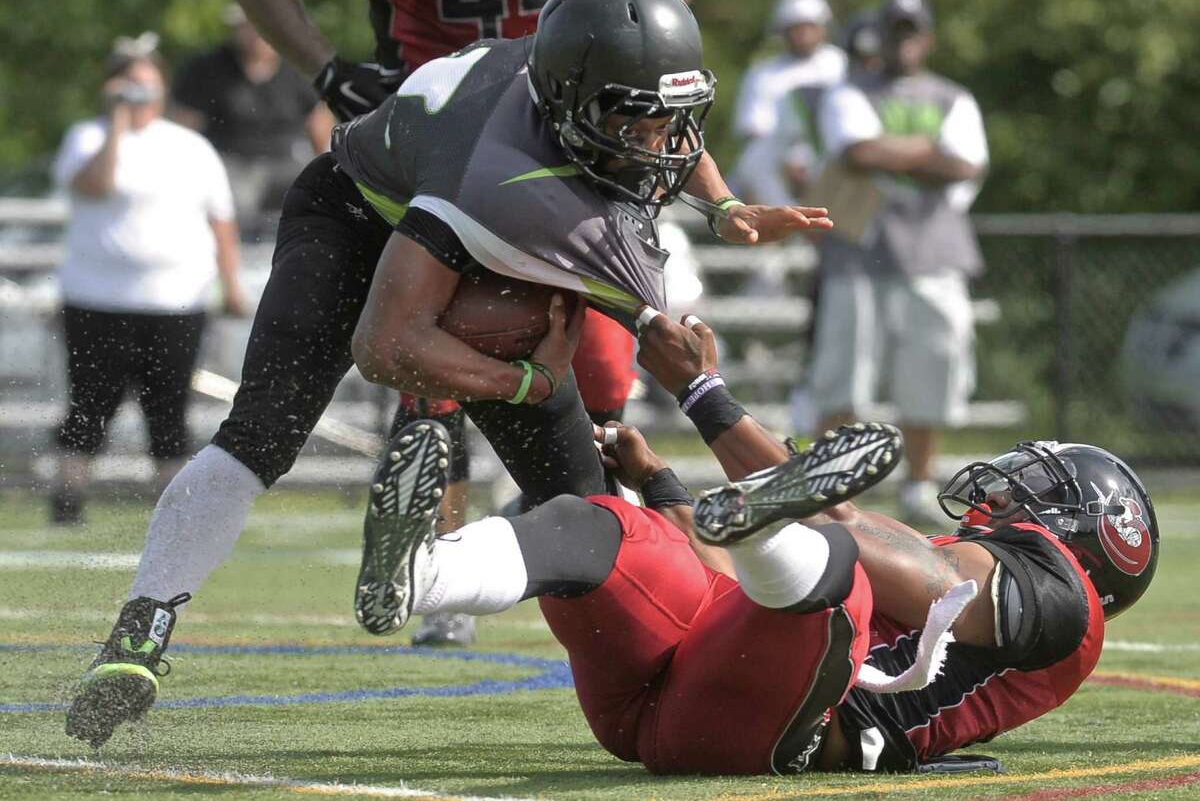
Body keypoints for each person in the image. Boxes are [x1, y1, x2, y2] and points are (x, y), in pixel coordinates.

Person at [65, 0, 831, 747]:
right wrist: (523, 380)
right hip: (358, 217)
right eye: (637, 122)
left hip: (467, 227)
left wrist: (724, 204)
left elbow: (651, 113)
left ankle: (595, 642)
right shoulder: (503, 184)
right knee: (262, 432)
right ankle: (144, 624)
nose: (660, 145)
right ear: (574, 103)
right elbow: (386, 346)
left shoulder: (576, 76)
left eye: (673, 117)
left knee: (591, 511)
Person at [344, 309, 1158, 774]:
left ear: (1084, 529)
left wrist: (703, 392)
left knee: (842, 570)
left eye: (1041, 489)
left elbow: (876, 550)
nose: (1011, 489)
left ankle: (770, 518)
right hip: (684, 702)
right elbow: (728, 581)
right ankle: (415, 575)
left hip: (786, 728)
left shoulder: (1067, 609)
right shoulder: (984, 592)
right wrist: (664, 488)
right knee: (609, 526)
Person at [223, 0, 710, 644]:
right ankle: (440, 570)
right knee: (434, 376)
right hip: (454, 148)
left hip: (576, 130)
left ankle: (530, 536)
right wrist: (327, 69)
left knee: (599, 390)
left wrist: (646, 47)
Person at [48, 34, 247, 527]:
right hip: (97, 299)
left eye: (147, 87)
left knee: (168, 409)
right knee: (90, 405)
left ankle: (174, 510)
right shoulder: (88, 138)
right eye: (129, 86)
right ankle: (68, 500)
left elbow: (221, 220)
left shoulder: (191, 147)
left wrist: (232, 285)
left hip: (176, 301)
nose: (140, 97)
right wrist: (116, 122)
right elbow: (95, 186)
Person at [810, 0, 989, 526]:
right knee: (844, 374)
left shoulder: (954, 97)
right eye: (895, 30)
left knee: (932, 369)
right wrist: (928, 153)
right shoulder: (848, 90)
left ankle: (918, 483)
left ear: (926, 39)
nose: (903, 41)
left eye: (912, 31)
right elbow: (856, 151)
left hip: (935, 252)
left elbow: (967, 166)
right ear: (880, 36)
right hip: (859, 251)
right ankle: (823, 485)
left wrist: (894, 149)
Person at [171, 6, 335, 240]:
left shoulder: (299, 68)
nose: (256, 34)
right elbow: (183, 128)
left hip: (287, 160)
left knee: (313, 196)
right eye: (249, 27)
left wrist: (328, 172)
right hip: (231, 161)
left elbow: (319, 123)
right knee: (233, 201)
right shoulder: (207, 69)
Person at [730, 0, 846, 206]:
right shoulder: (763, 73)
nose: (803, 34)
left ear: (823, 28)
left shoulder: (841, 65)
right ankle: (777, 226)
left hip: (832, 157)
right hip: (779, 165)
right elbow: (755, 131)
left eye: (809, 26)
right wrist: (789, 162)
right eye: (796, 28)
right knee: (752, 160)